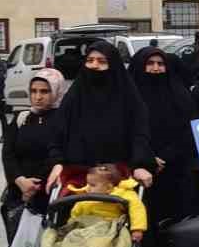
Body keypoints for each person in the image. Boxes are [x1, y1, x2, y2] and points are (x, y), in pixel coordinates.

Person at [127, 46, 199, 247]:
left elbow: (189, 131)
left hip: (176, 175)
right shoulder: (128, 96)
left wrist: (165, 157)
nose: (156, 69)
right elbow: (125, 132)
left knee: (175, 236)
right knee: (143, 236)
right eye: (150, 64)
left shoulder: (179, 95)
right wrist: (145, 158)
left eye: (160, 64)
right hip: (138, 177)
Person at [45, 41, 154, 200]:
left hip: (117, 176)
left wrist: (138, 165)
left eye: (102, 62)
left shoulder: (128, 98)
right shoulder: (75, 97)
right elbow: (58, 133)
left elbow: (140, 134)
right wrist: (57, 163)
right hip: (77, 176)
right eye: (90, 61)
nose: (94, 66)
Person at [0, 68, 64, 247]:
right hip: (20, 195)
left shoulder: (62, 119)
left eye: (44, 91)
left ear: (55, 92)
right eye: (34, 91)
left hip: (50, 193)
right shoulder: (20, 119)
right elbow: (8, 153)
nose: (38, 97)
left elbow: (58, 153)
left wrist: (38, 180)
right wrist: (20, 180)